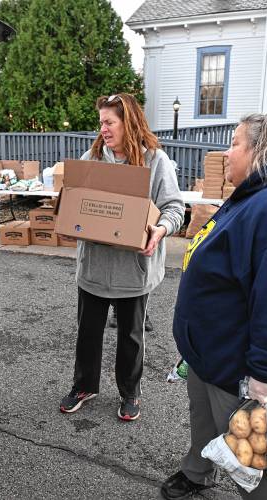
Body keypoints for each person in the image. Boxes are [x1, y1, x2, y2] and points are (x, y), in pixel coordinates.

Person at [161, 112, 267, 499]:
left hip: (241, 366)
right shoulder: (251, 196)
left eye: (234, 143)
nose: (227, 152)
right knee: (205, 422)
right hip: (210, 354)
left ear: (259, 149)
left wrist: (266, 378)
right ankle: (198, 471)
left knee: (252, 458)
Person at [60, 93, 184, 421]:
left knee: (131, 337)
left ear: (128, 122)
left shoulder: (156, 160)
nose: (103, 128)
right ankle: (84, 385)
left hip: (134, 269)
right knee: (88, 332)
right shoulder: (92, 157)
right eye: (101, 122)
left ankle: (130, 392)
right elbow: (76, 200)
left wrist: (160, 230)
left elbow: (174, 207)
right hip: (95, 268)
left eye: (109, 122)